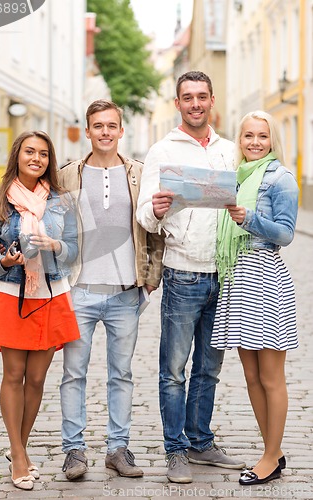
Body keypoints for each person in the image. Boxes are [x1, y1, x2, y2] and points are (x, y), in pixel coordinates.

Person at [136, 70, 246, 483]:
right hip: (183, 274)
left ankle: (200, 443)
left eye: (202, 96)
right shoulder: (162, 150)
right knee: (174, 370)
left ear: (212, 100)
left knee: (209, 368)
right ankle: (175, 450)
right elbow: (143, 215)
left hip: (225, 274)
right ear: (177, 102)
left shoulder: (231, 151)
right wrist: (159, 209)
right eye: (187, 97)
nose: (195, 104)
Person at [58, 99, 165, 480]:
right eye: (98, 125)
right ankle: (74, 451)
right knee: (74, 374)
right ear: (87, 131)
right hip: (79, 291)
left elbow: (153, 228)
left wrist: (150, 278)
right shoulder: (68, 174)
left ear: (122, 130)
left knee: (121, 373)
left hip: (124, 293)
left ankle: (118, 448)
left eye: (111, 125)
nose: (105, 131)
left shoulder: (138, 174)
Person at [0, 131, 80, 491]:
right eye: (29, 152)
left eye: (43, 154)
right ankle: (19, 456)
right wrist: (3, 261)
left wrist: (56, 245)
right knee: (14, 374)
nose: (36, 158)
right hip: (13, 294)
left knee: (37, 379)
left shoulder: (61, 201)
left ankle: (17, 447)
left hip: (51, 294)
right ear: (17, 156)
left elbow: (74, 249)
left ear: (49, 160)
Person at [211, 110, 299, 485]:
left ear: (271, 140)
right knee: (250, 374)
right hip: (237, 279)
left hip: (265, 277)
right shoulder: (235, 177)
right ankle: (272, 451)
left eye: (262, 136)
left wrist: (250, 220)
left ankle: (268, 456)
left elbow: (286, 234)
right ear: (239, 139)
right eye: (248, 136)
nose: (255, 143)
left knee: (270, 376)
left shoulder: (281, 179)